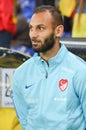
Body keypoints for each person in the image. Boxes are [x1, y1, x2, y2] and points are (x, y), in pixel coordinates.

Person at [12, 5, 86, 130]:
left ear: (58, 31)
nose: (33, 35)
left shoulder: (80, 71)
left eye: (41, 28)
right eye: (31, 28)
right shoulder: (21, 73)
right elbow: (24, 119)